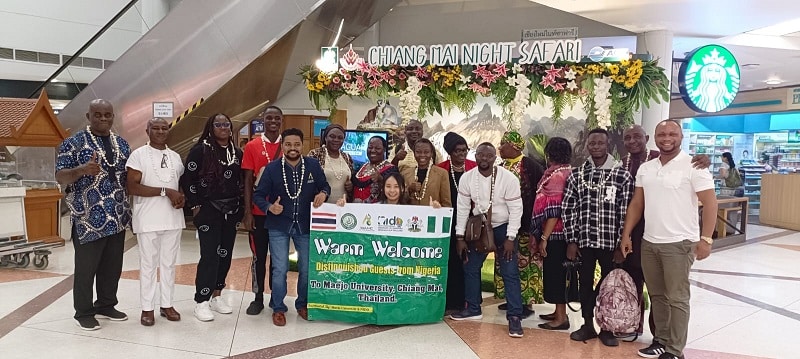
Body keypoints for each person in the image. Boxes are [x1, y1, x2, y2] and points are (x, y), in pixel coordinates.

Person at [621, 120, 718, 359]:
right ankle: (661, 341)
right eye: (662, 133)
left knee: (677, 298)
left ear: (681, 136)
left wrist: (706, 239)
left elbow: (711, 203)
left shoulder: (694, 166)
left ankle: (675, 349)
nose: (667, 137)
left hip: (680, 243)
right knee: (657, 296)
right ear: (655, 137)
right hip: (650, 242)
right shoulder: (647, 168)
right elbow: (637, 203)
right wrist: (626, 234)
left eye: (672, 133)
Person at [56, 99, 131, 331]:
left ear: (112, 117)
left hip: (116, 216)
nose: (103, 119)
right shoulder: (74, 143)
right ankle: (84, 311)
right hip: (88, 218)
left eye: (107, 115)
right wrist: (80, 170)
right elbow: (60, 176)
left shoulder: (122, 143)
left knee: (112, 266)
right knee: (86, 268)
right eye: (97, 115)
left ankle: (106, 304)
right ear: (88, 117)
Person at [562, 128, 634, 347]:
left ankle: (607, 327)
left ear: (608, 144)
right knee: (584, 284)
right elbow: (568, 208)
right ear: (587, 145)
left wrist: (621, 244)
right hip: (584, 241)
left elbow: (626, 211)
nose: (595, 147)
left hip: (610, 243)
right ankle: (587, 325)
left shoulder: (621, 175)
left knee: (609, 286)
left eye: (600, 143)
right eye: (592, 143)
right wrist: (572, 240)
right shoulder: (577, 174)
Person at [253, 128, 330, 327]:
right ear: (283, 146)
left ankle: (302, 303)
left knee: (305, 268)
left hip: (305, 225)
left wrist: (323, 193)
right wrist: (270, 207)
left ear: (302, 145)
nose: (292, 148)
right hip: (278, 225)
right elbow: (258, 196)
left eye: (296, 144)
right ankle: (278, 307)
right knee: (280, 269)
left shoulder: (312, 165)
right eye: (288, 144)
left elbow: (325, 186)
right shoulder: (271, 168)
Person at [450, 142, 525, 339]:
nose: (484, 159)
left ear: (495, 158)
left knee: (509, 272)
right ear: (475, 157)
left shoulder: (508, 178)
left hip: (504, 228)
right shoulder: (468, 178)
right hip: (480, 228)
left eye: (489, 156)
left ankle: (515, 316)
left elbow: (516, 209)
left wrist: (511, 237)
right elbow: (463, 208)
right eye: (481, 155)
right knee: (470, 266)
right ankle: (473, 308)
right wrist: (460, 237)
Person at [180, 113, 244, 322]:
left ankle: (217, 296)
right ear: (211, 127)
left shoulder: (237, 153)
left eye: (227, 124)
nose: (223, 127)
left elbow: (242, 182)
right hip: (208, 209)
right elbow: (188, 178)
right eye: (218, 124)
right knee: (210, 255)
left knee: (225, 254)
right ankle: (202, 300)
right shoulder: (201, 150)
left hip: (231, 210)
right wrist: (196, 205)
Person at [125, 118, 185, 326]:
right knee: (148, 265)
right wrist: (165, 191)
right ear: (147, 130)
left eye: (164, 128)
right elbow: (132, 187)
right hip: (148, 219)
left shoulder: (175, 157)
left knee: (168, 264)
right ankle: (147, 308)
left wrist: (181, 196)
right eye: (155, 128)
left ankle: (167, 304)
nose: (160, 131)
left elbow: (179, 185)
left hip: (173, 219)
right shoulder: (138, 155)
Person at [495, 131, 544, 317]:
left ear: (514, 146)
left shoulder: (530, 166)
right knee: (507, 262)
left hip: (524, 226)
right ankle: (511, 299)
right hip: (503, 225)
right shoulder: (500, 167)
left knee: (525, 263)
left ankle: (526, 304)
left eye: (503, 144)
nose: (500, 148)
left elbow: (538, 195)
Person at [241, 106, 283, 315]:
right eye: (269, 118)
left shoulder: (288, 145)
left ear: (281, 121)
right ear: (263, 121)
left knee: (278, 258)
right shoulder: (252, 146)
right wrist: (247, 212)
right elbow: (248, 181)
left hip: (281, 213)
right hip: (258, 211)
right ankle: (257, 297)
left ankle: (277, 298)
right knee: (258, 257)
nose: (273, 121)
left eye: (277, 118)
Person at [532, 137, 573, 331]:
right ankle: (558, 312)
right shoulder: (562, 172)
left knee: (556, 274)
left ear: (549, 154)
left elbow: (554, 211)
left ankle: (561, 318)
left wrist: (543, 238)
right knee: (554, 273)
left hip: (556, 234)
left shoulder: (558, 176)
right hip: (559, 234)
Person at [437, 133, 476, 311]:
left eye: (464, 150)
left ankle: (468, 300)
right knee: (451, 260)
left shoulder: (474, 168)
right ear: (449, 152)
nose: (462, 154)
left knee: (469, 261)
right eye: (457, 151)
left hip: (471, 223)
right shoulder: (441, 169)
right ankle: (450, 300)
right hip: (449, 223)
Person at [307, 123, 354, 203]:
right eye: (332, 136)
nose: (336, 140)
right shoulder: (315, 154)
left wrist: (351, 186)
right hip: (321, 206)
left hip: (343, 206)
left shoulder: (347, 157)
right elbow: (308, 181)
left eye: (340, 138)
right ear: (325, 138)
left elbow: (352, 180)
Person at [338, 172, 440, 208]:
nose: (392, 190)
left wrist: (434, 210)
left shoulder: (409, 210)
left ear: (403, 188)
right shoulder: (373, 208)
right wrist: (343, 207)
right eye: (388, 186)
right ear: (382, 188)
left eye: (396, 186)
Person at [401, 138, 451, 207]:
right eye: (418, 152)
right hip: (411, 216)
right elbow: (400, 201)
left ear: (431, 153)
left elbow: (446, 203)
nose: (422, 155)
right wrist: (409, 190)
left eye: (426, 152)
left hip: (433, 216)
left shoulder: (442, 174)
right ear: (414, 153)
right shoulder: (405, 174)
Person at [352, 136, 399, 203]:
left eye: (377, 148)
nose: (373, 150)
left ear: (384, 149)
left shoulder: (391, 170)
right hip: (356, 210)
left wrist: (381, 179)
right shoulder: (361, 167)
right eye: (370, 147)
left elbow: (395, 192)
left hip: (378, 211)